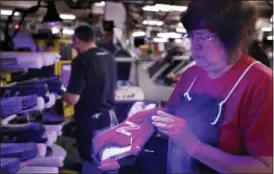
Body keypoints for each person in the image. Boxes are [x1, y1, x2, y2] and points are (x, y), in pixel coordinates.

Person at [98, 1, 273, 173]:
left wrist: (193, 146)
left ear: (233, 37)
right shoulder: (192, 75)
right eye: (191, 36)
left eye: (204, 37)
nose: (194, 46)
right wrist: (141, 125)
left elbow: (266, 168)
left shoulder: (262, 84)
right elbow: (170, 121)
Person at [62, 25, 118, 173]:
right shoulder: (109, 56)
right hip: (110, 119)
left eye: (74, 42)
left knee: (91, 163)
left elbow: (73, 98)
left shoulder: (81, 60)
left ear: (76, 40)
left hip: (91, 124)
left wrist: (58, 92)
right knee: (108, 161)